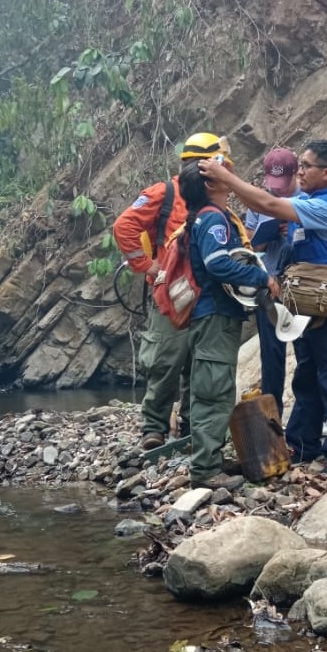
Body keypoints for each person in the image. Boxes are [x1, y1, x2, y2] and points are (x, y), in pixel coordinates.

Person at [199, 139, 327, 476]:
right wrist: (230, 188)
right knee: (307, 375)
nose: (300, 172)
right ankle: (304, 442)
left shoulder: (325, 206)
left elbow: (271, 205)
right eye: (300, 165)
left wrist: (225, 179)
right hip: (305, 304)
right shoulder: (305, 200)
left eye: (306, 166)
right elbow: (268, 204)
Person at [112, 132, 231, 450]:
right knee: (166, 359)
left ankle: (191, 425)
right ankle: (154, 427)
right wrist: (146, 265)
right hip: (173, 293)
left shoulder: (216, 196)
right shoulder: (164, 193)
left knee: (198, 362)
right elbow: (125, 226)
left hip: (206, 293)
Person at [177, 161, 279, 490]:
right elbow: (217, 262)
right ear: (210, 185)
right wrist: (261, 276)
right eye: (220, 173)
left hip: (214, 317)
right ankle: (206, 470)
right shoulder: (213, 219)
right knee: (214, 391)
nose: (227, 175)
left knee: (214, 386)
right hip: (215, 317)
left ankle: (210, 458)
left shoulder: (205, 217)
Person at [243, 148, 298, 418]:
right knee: (272, 356)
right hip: (270, 287)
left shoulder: (307, 198)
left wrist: (297, 228)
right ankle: (273, 416)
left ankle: (310, 414)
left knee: (307, 353)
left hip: (302, 286)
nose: (278, 191)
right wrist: (270, 232)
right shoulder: (258, 202)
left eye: (284, 184)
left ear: (296, 173)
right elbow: (250, 246)